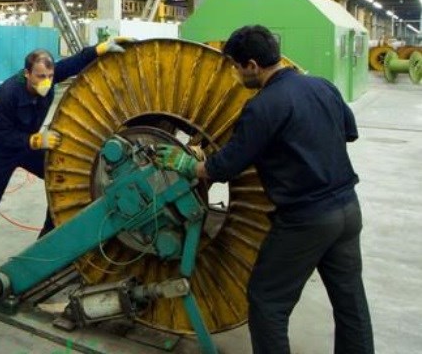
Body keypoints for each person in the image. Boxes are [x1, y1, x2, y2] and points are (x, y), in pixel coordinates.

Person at [160, 25, 374, 354]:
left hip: (306, 219)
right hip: (347, 209)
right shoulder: (323, 86)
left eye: (236, 67)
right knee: (350, 300)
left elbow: (225, 166)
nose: (235, 74)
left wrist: (189, 165)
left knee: (267, 301)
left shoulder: (263, 106)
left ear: (252, 65)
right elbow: (349, 132)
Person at [0, 37, 129, 279]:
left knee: (61, 180)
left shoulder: (49, 77)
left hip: (31, 145)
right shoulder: (8, 93)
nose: (46, 82)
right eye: (40, 76)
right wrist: (33, 141)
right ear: (27, 74)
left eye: (49, 76)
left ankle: (44, 244)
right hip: (2, 150)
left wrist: (100, 49)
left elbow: (75, 62)